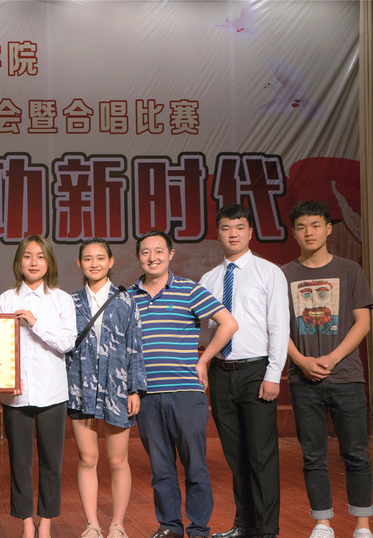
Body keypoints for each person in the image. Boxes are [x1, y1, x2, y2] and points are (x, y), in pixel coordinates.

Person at [128, 230, 238, 538]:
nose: (153, 257)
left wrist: (204, 361)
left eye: (159, 251)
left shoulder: (189, 290)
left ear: (170, 254)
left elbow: (229, 323)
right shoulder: (128, 297)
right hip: (148, 396)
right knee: (161, 468)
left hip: (186, 394)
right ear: (138, 257)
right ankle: (170, 526)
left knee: (195, 466)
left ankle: (199, 529)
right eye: (146, 252)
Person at [281, 201, 373, 538]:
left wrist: (332, 359)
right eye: (302, 227)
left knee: (356, 454)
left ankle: (363, 525)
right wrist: (302, 361)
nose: (309, 232)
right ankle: (322, 523)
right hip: (303, 378)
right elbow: (277, 328)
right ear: (294, 233)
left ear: (329, 228)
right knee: (313, 456)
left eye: (316, 225)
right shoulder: (284, 274)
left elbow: (363, 322)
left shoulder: (350, 270)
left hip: (346, 376)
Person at [199, 204, 288, 538]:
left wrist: (273, 373)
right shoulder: (208, 279)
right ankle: (244, 524)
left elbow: (279, 326)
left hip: (256, 371)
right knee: (235, 455)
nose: (233, 234)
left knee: (261, 455)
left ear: (250, 232)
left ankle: (266, 530)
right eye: (226, 228)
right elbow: (206, 332)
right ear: (218, 233)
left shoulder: (269, 272)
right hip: (222, 374)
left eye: (239, 227)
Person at [0, 235, 77, 538]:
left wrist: (35, 322)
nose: (33, 262)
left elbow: (67, 342)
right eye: (27, 256)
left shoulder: (61, 299)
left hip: (52, 392)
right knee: (20, 462)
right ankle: (27, 523)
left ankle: (47, 523)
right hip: (15, 394)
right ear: (19, 262)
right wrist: (6, 379)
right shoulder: (5, 300)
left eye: (40, 256)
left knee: (51, 462)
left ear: (49, 262)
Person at [66, 238, 146, 538]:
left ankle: (117, 525)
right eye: (88, 258)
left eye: (101, 258)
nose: (94, 263)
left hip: (117, 388)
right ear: (79, 263)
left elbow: (135, 346)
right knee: (87, 458)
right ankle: (92, 524)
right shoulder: (70, 302)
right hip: (80, 387)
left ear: (111, 262)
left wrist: (135, 389)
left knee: (117, 460)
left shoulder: (125, 301)